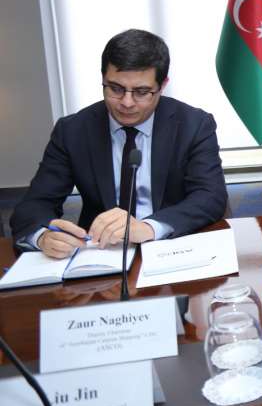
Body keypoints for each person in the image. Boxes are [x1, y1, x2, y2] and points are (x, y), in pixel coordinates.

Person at [11, 29, 228, 258]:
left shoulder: (194, 125)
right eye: (115, 89)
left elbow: (210, 197)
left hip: (173, 248)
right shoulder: (73, 131)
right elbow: (33, 206)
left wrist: (149, 228)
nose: (127, 102)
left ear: (162, 85)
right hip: (101, 254)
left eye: (141, 92)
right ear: (103, 79)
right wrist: (43, 236)